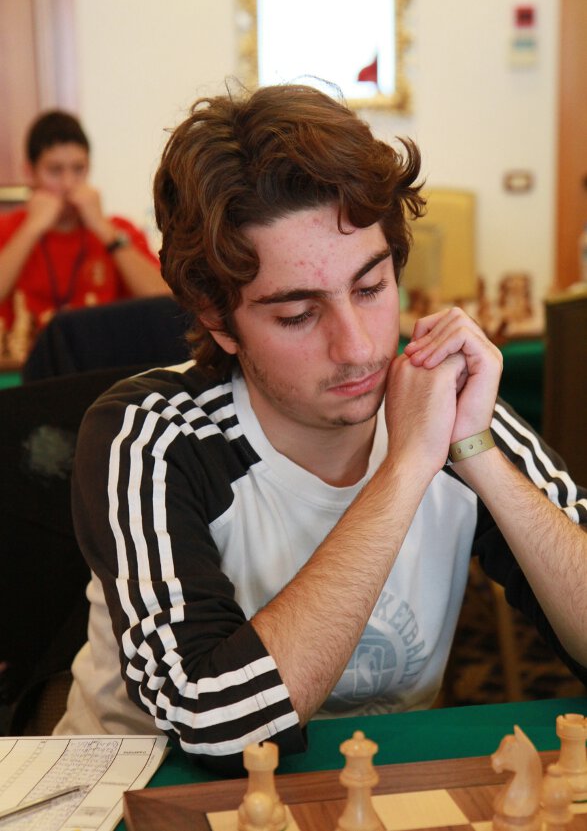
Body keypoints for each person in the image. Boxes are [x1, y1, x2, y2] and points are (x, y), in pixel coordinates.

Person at [55, 84, 587, 772]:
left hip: (359, 787)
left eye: (370, 288)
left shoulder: (450, 410)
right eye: (298, 314)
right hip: (146, 789)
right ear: (219, 320)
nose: (359, 347)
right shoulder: (149, 434)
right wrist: (405, 469)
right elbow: (219, 727)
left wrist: (474, 452)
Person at [0, 110, 169, 362]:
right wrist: (32, 228)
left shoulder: (116, 230)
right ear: (29, 172)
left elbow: (165, 304)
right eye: (55, 170)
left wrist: (103, 229)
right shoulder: (7, 228)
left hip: (99, 370)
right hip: (20, 370)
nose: (68, 183)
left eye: (78, 169)